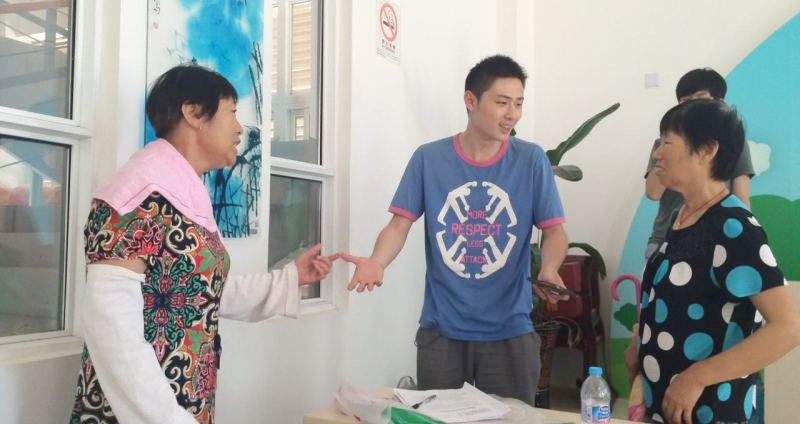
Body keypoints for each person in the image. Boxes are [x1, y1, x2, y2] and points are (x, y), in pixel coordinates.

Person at [69, 65, 337, 424]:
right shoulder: (136, 197)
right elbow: (111, 328)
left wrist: (289, 279)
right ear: (193, 113)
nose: (240, 129)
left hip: (184, 402)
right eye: (232, 112)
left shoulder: (181, 193)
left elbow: (198, 290)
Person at [338, 55, 569, 406]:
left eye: (519, 103)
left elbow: (554, 232)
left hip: (510, 330)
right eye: (502, 102)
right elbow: (399, 224)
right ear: (470, 101)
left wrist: (550, 268)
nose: (512, 114)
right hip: (442, 331)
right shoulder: (429, 159)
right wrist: (376, 261)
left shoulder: (531, 160)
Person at [626, 99, 800, 424]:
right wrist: (640, 341)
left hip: (712, 411)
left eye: (667, 142)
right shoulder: (683, 218)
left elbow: (789, 327)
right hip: (667, 407)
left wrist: (697, 377)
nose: (657, 154)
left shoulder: (734, 227)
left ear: (706, 150)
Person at [644, 68, 754, 260]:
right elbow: (653, 193)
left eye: (700, 99)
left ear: (719, 103)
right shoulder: (663, 145)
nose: (693, 106)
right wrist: (668, 148)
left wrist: (742, 235)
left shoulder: (735, 145)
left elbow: (741, 197)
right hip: (666, 237)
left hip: (716, 235)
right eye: (685, 102)